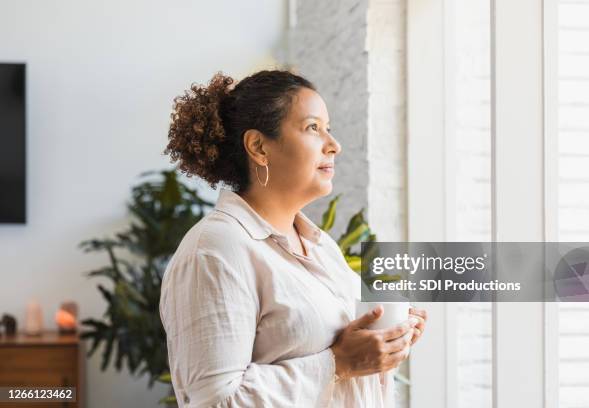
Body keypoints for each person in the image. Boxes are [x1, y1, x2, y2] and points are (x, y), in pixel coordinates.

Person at [159, 69, 427, 407]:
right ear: (258, 146)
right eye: (313, 128)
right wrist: (338, 363)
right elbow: (214, 401)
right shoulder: (214, 251)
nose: (334, 145)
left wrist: (385, 344)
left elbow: (348, 365)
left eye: (328, 129)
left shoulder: (321, 247)